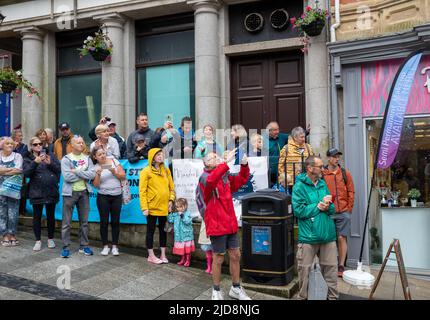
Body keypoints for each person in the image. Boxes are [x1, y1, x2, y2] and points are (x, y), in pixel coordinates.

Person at [199, 150, 251, 300]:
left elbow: (242, 179)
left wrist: (244, 164)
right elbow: (211, 182)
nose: (217, 157)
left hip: (230, 223)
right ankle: (216, 290)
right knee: (219, 257)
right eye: (213, 157)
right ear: (207, 163)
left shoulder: (224, 175)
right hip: (216, 225)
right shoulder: (204, 177)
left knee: (236, 255)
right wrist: (225, 163)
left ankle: (236, 288)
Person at [292, 155, 338, 300]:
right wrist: (318, 206)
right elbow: (298, 211)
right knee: (304, 273)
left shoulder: (323, 184)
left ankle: (333, 298)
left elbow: (332, 210)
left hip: (327, 235)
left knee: (331, 272)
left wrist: (328, 206)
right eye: (320, 166)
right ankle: (303, 297)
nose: (323, 169)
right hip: (308, 236)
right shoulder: (299, 186)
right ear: (310, 168)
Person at [60, 136, 96, 258]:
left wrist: (76, 171)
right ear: (72, 145)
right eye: (78, 142)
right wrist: (83, 174)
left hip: (84, 192)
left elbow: (92, 174)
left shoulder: (87, 159)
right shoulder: (66, 159)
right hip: (70, 193)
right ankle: (65, 247)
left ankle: (84, 246)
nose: (81, 144)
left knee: (84, 222)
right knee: (66, 223)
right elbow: (67, 177)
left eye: (82, 142)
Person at [23, 136, 61, 251]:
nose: (38, 146)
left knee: (50, 216)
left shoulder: (51, 155)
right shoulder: (28, 158)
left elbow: (58, 169)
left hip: (51, 189)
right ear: (31, 147)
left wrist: (50, 163)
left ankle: (50, 238)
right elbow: (26, 173)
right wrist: (35, 162)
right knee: (37, 217)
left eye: (40, 143)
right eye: (35, 144)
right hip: (36, 191)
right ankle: (38, 240)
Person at [322, 148, 355, 277]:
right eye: (334, 157)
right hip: (328, 211)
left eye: (338, 157)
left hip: (343, 211)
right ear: (328, 158)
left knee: (341, 237)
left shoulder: (345, 173)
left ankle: (341, 265)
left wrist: (349, 208)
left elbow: (351, 191)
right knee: (329, 239)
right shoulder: (323, 174)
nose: (336, 159)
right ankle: (330, 264)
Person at [139, 148, 175, 264]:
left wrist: (171, 200)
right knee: (150, 231)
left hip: (164, 207)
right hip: (152, 208)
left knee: (163, 231)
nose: (160, 156)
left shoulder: (166, 170)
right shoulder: (146, 171)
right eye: (158, 154)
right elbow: (142, 191)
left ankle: (163, 254)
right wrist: (144, 207)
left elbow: (171, 187)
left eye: (161, 154)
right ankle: (151, 255)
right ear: (152, 157)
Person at [91, 145, 125, 256]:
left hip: (116, 196)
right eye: (99, 155)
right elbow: (95, 186)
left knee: (115, 222)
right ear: (95, 157)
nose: (102, 156)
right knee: (104, 222)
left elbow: (123, 176)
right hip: (103, 197)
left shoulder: (113, 161)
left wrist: (113, 171)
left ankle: (115, 246)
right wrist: (98, 174)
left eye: (103, 153)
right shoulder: (95, 167)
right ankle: (105, 246)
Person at [0, 137, 23, 247]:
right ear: (2, 145)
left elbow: (18, 170)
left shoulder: (18, 156)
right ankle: (4, 235)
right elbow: (14, 170)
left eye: (11, 144)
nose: (10, 145)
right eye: (7, 144)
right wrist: (10, 170)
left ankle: (12, 233)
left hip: (13, 188)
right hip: (0, 190)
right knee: (1, 212)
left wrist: (2, 170)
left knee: (13, 212)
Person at [278, 126, 313, 192]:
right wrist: (284, 178)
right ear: (295, 138)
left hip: (306, 180)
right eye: (301, 137)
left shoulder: (308, 147)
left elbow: (312, 162)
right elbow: (280, 165)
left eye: (304, 137)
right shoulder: (286, 148)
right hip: (291, 182)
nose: (304, 139)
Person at [168, 198, 195, 267]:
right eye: (177, 207)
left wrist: (182, 216)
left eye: (181, 207)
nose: (179, 209)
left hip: (186, 235)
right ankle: (182, 259)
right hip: (179, 235)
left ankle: (188, 260)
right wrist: (170, 212)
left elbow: (188, 222)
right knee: (182, 249)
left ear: (185, 206)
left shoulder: (187, 213)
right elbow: (170, 220)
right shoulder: (176, 214)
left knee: (187, 249)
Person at [266, 121, 289, 187]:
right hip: (268, 172)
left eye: (278, 129)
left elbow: (294, 136)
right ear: (269, 131)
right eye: (275, 130)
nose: (277, 132)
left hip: (280, 171)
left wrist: (306, 132)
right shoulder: (263, 139)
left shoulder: (282, 137)